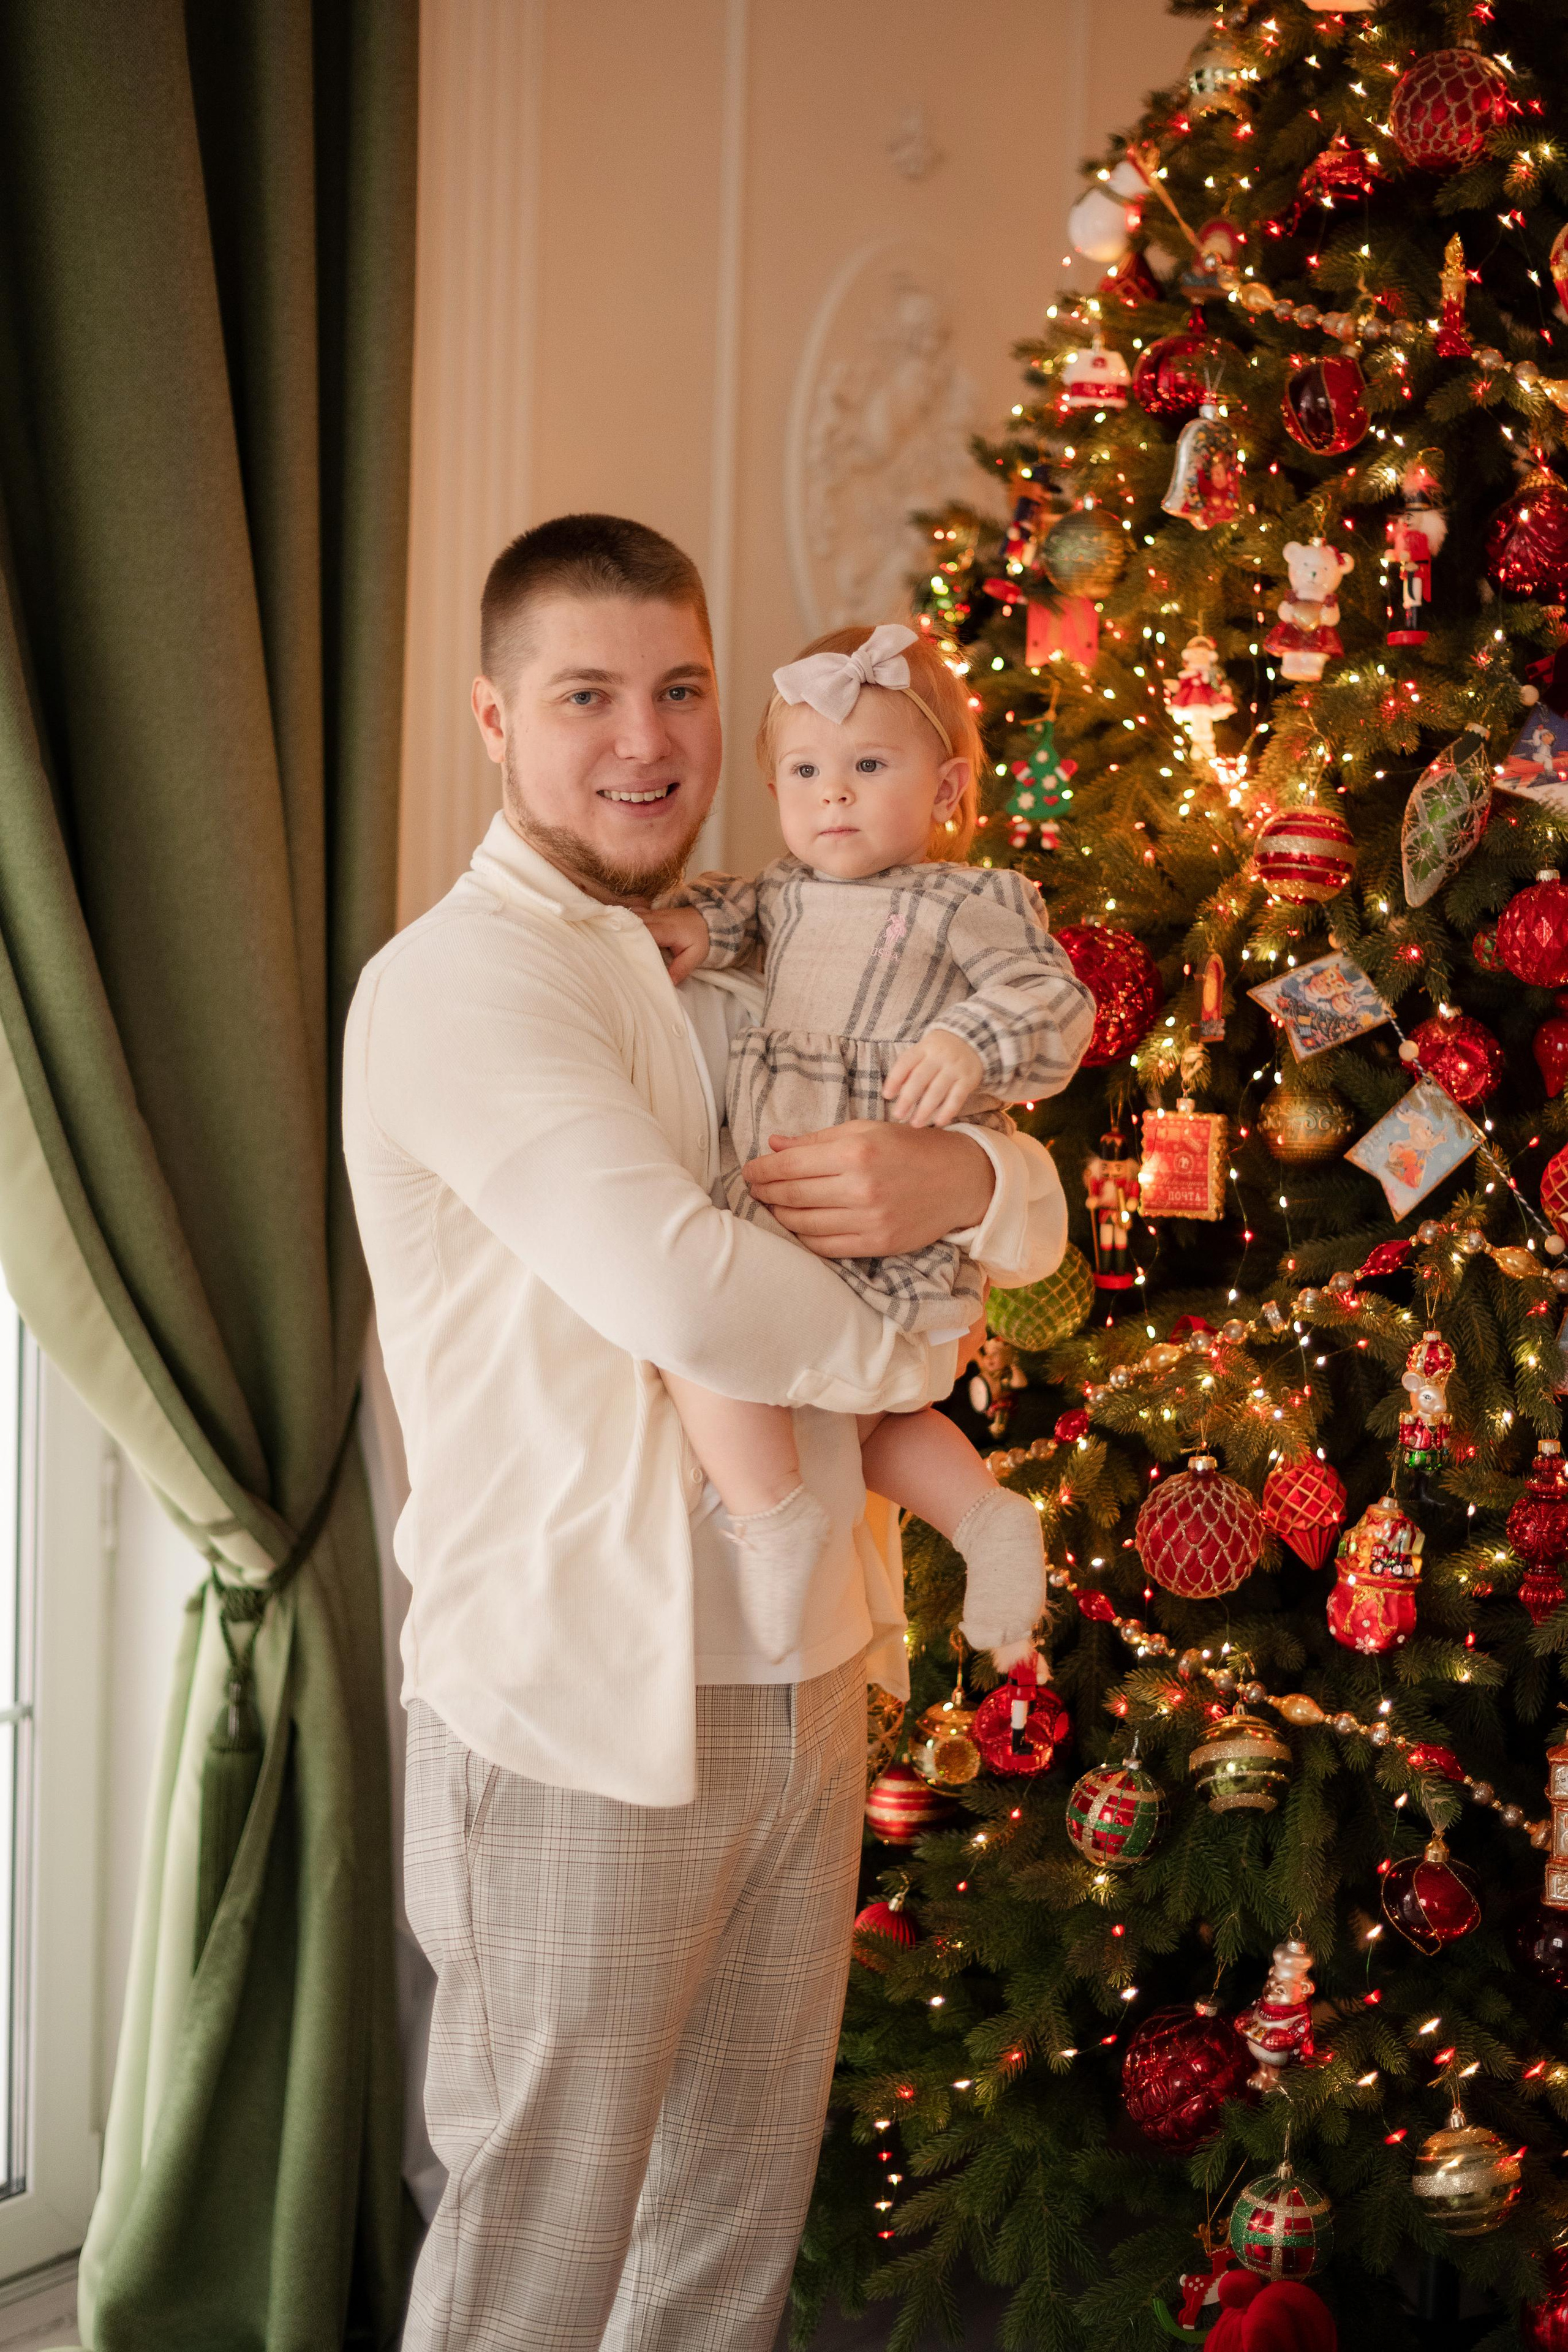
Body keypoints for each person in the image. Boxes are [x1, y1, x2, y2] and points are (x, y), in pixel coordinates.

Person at [342, 514, 1076, 2351]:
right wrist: (921, 1318)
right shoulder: (462, 985)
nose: (644, 740)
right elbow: (681, 1289)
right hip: (579, 1702)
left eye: (677, 690)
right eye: (588, 695)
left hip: (808, 1664)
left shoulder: (757, 939)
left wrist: (970, 1167)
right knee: (540, 2257)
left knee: (721, 2260)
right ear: (498, 720)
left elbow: (1036, 1207)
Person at [641, 624, 1092, 1668]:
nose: (831, 796)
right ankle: (820, 1515)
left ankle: (949, 1517)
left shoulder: (975, 901)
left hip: (882, 1209)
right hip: (778, 1200)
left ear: (945, 790)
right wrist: (702, 936)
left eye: (868, 766)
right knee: (758, 1368)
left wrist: (964, 1043)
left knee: (860, 1400)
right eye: (805, 771)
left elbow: (1053, 1003)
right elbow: (734, 916)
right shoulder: (781, 894)